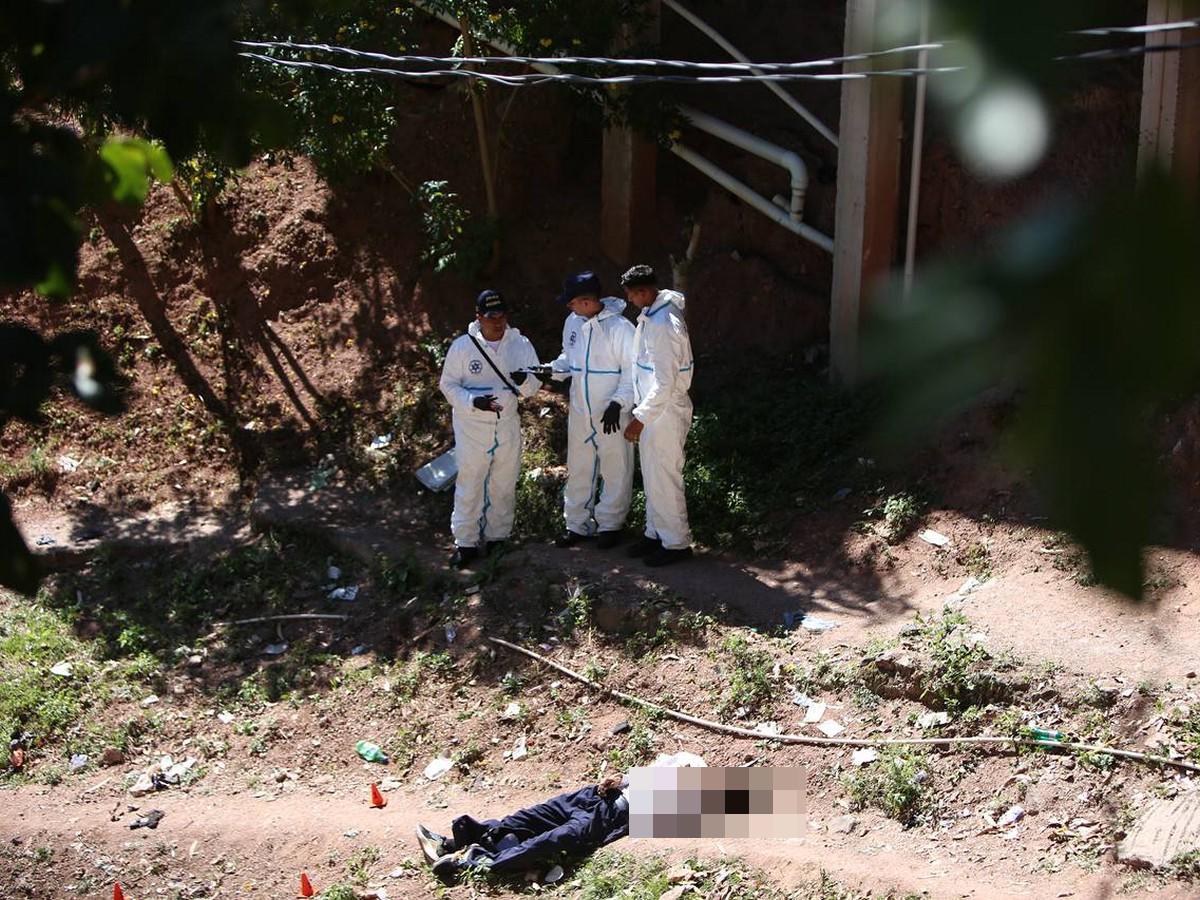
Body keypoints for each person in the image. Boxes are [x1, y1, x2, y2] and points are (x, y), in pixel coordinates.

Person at [439, 289, 542, 568]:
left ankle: (498, 537)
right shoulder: (462, 347)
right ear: (479, 317)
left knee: (504, 482)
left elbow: (534, 387)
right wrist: (473, 401)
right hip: (472, 426)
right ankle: (466, 542)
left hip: (507, 423)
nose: (497, 321)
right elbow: (447, 385)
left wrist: (523, 381)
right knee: (470, 482)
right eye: (490, 316)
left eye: (501, 315)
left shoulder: (520, 344)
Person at [548, 271, 636, 549]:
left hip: (611, 413)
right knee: (579, 467)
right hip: (580, 411)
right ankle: (577, 525)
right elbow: (568, 358)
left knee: (615, 466)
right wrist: (548, 371)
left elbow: (633, 373)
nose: (568, 306)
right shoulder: (572, 322)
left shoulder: (621, 328)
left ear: (587, 301)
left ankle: (610, 526)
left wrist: (618, 404)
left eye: (572, 302)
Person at [415, 773, 628, 881]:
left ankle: (469, 861)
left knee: (550, 840)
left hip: (612, 814)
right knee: (525, 818)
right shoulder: (662, 767)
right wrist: (620, 779)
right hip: (595, 794)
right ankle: (452, 845)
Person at [620, 264, 694, 566]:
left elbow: (665, 383)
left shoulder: (663, 323)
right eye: (630, 295)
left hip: (664, 411)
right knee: (652, 475)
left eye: (636, 294)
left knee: (665, 476)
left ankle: (676, 543)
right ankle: (656, 533)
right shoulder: (652, 316)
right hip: (655, 410)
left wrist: (640, 417)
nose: (633, 299)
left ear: (647, 290)